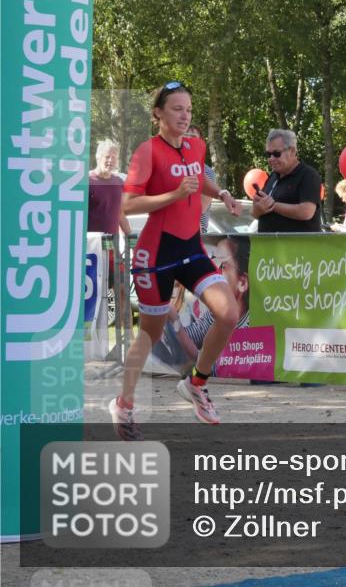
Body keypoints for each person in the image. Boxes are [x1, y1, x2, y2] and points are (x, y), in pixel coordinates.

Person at [110, 81, 241, 440]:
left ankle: (196, 383)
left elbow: (198, 183)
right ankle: (124, 404)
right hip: (155, 255)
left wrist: (223, 193)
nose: (185, 116)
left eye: (189, 110)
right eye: (177, 109)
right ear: (158, 114)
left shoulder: (196, 147)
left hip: (191, 249)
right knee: (149, 336)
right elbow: (128, 204)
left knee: (229, 312)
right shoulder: (147, 152)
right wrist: (171, 194)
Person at [160, 236, 252, 370]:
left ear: (242, 282)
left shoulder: (252, 324)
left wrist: (174, 321)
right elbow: (187, 338)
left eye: (222, 266)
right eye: (212, 264)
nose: (213, 273)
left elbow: (214, 368)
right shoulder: (214, 315)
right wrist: (172, 321)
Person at [252, 129, 322, 233]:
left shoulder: (308, 175)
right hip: (270, 246)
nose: (271, 158)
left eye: (276, 153)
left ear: (292, 151)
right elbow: (254, 214)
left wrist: (273, 206)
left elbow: (306, 212)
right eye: (268, 154)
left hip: (297, 247)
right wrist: (258, 208)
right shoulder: (273, 177)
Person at [88, 139, 131, 236]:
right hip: (91, 243)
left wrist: (130, 236)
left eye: (114, 157)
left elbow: (119, 212)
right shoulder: (87, 181)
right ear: (98, 157)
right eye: (107, 157)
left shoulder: (119, 182)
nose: (110, 160)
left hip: (112, 243)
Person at [185, 126, 217, 233]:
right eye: (185, 136)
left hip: (196, 234)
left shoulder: (206, 172)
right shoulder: (171, 167)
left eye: (193, 137)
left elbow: (196, 211)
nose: (188, 139)